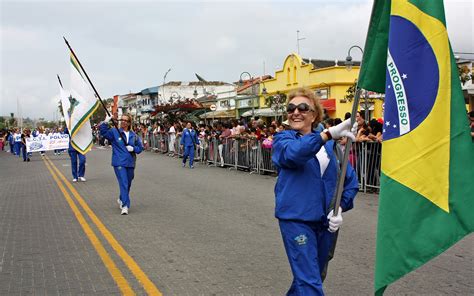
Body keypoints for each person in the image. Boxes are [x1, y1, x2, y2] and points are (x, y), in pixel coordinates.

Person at [272, 87, 359, 295]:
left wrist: (340, 206)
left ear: (314, 114)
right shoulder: (283, 141)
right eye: (291, 108)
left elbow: (350, 181)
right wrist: (327, 134)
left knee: (312, 278)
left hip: (325, 223)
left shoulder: (332, 147)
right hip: (296, 219)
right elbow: (294, 155)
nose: (295, 112)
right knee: (309, 282)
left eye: (302, 107)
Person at [100, 113, 143, 215]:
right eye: (121, 120)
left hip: (130, 163)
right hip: (119, 162)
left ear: (129, 123)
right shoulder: (115, 132)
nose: (123, 122)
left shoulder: (134, 135)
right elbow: (104, 133)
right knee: (123, 182)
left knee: (128, 183)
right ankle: (125, 206)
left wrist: (133, 148)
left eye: (125, 120)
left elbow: (140, 148)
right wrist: (105, 122)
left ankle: (121, 198)